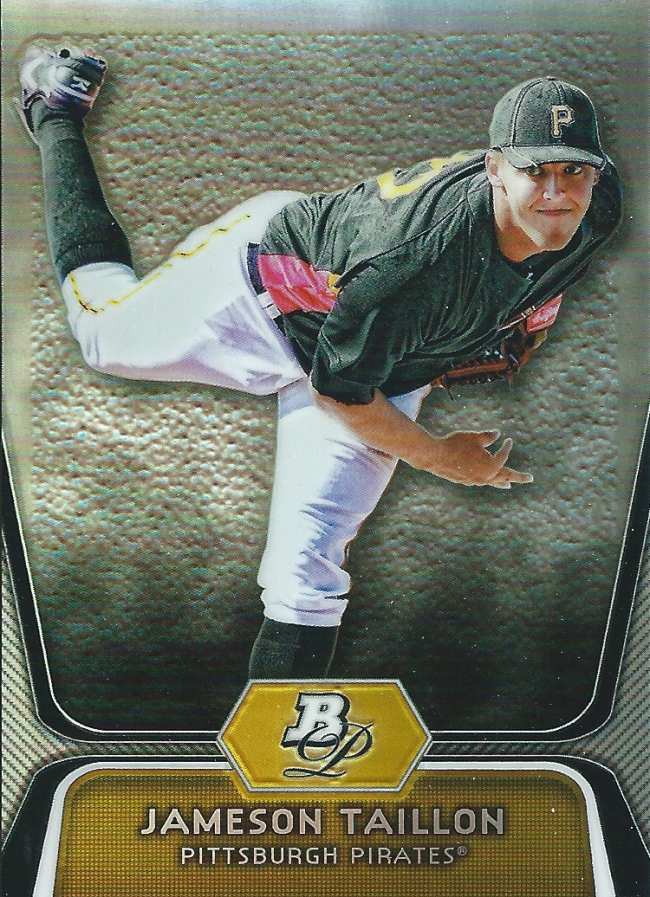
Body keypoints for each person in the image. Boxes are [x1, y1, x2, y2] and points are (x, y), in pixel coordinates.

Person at [17, 46, 622, 679]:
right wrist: (441, 456)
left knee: (306, 574)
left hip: (374, 349)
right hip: (256, 296)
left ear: (597, 174)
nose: (557, 192)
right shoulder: (413, 262)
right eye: (535, 171)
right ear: (495, 168)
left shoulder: (597, 209)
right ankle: (56, 110)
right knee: (102, 335)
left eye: (574, 171)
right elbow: (341, 394)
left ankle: (287, 737)